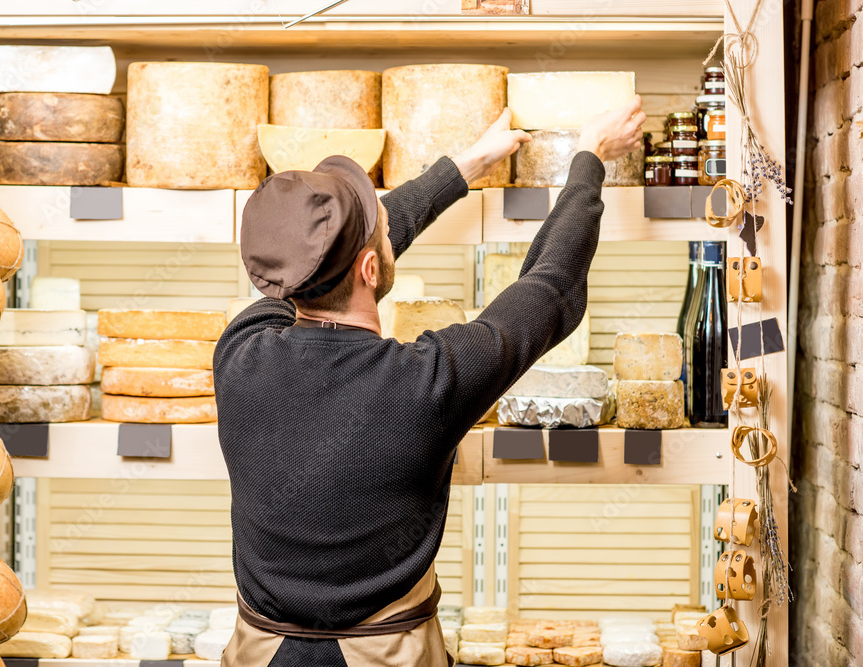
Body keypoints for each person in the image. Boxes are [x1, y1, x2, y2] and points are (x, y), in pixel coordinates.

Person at [214, 96, 647, 667]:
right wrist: (590, 156)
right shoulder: (426, 383)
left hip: (259, 654)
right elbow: (551, 285)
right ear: (371, 269)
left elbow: (327, 257)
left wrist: (464, 168)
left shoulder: (238, 355)